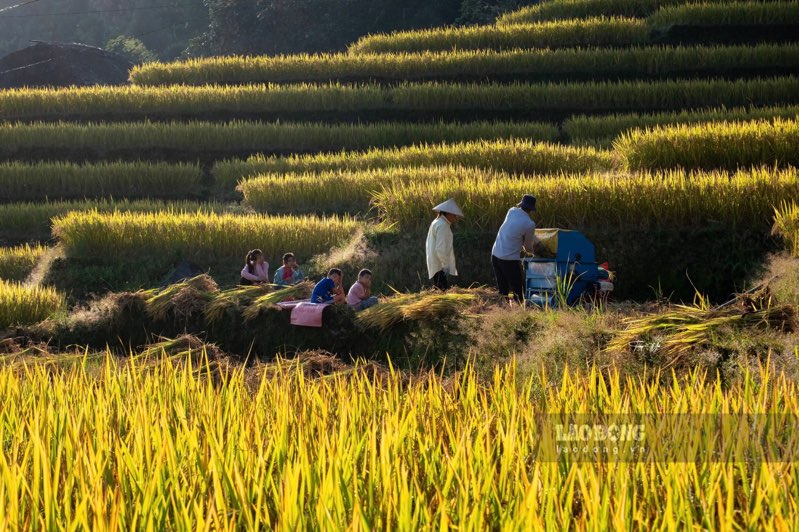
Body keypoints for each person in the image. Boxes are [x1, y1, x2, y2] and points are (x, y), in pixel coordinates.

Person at [491, 194, 542, 304]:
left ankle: (502, 311)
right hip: (509, 259)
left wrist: (535, 239)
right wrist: (535, 252)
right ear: (531, 209)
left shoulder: (511, 211)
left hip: (495, 254)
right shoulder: (529, 224)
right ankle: (520, 312)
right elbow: (528, 246)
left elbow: (516, 229)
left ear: (521, 204)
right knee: (519, 289)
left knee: (503, 288)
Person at [426, 198, 463, 291]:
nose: (455, 218)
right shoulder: (442, 225)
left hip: (436, 262)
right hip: (439, 265)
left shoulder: (437, 222)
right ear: (448, 213)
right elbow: (440, 248)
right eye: (454, 215)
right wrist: (445, 265)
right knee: (442, 292)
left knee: (439, 291)